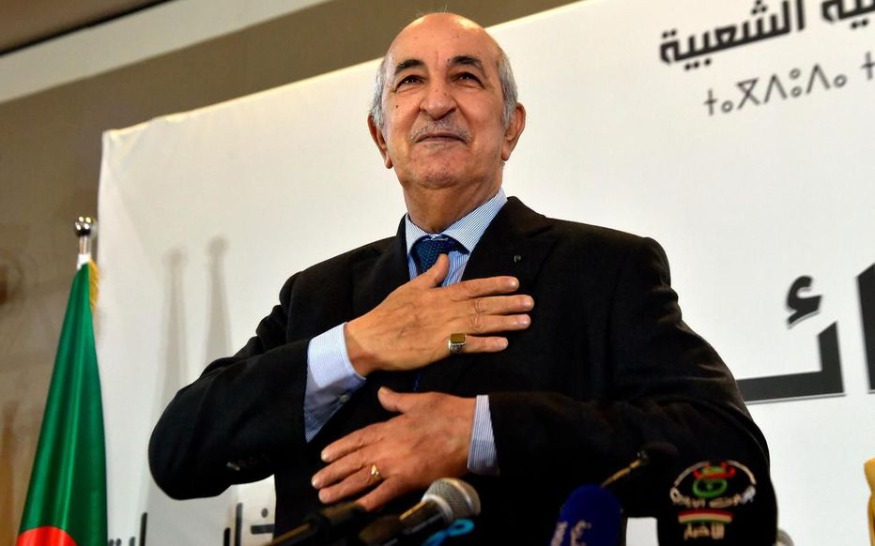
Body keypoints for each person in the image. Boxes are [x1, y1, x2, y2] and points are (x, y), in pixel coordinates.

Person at [149, 12, 775, 544]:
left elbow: (723, 444)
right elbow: (178, 452)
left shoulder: (604, 270)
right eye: (410, 80)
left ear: (511, 128)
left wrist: (481, 432)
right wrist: (356, 345)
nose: (436, 101)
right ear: (381, 136)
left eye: (466, 77)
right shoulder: (317, 296)